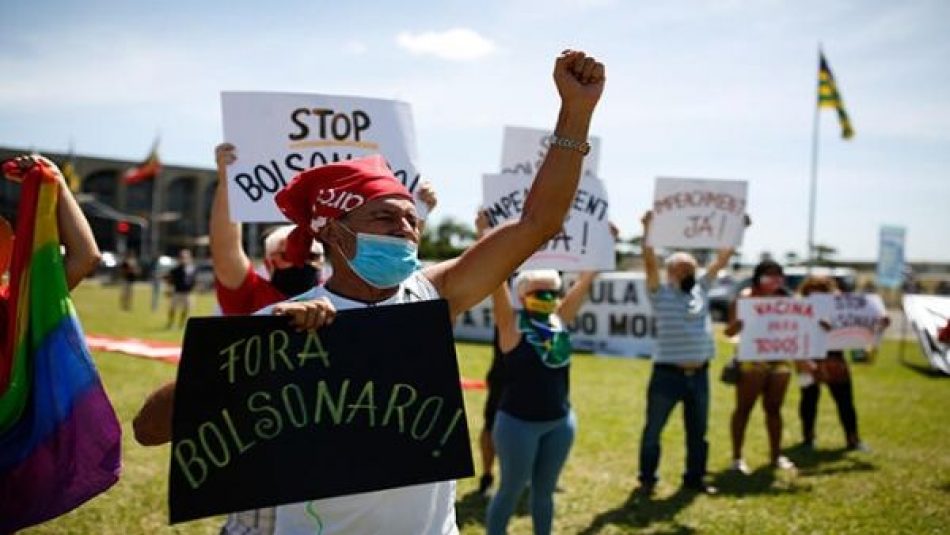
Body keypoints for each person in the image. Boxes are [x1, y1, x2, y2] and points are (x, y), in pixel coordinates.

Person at [143, 49, 605, 535]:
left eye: (410, 219)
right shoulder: (287, 322)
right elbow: (149, 430)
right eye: (384, 217)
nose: (406, 230)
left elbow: (538, 224)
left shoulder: (431, 295)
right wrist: (264, 353)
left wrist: (576, 114)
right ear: (333, 233)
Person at [482, 266, 596, 535]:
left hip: (560, 423)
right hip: (517, 425)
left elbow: (585, 281)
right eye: (538, 292)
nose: (546, 296)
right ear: (521, 296)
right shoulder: (511, 326)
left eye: (551, 292)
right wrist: (484, 234)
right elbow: (496, 282)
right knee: (510, 490)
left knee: (545, 493)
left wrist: (595, 261)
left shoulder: (558, 320)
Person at [637, 210, 738, 495]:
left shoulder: (701, 290)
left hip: (700, 375)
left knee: (698, 434)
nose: (685, 274)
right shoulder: (659, 292)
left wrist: (734, 228)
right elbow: (648, 262)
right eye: (680, 269)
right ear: (669, 273)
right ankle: (647, 478)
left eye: (690, 269)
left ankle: (694, 479)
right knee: (653, 431)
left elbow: (722, 260)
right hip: (667, 375)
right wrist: (647, 229)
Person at [797, 275, 885, 451]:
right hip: (809, 358)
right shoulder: (799, 310)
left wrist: (879, 324)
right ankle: (808, 438)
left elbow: (855, 330)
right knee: (809, 400)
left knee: (845, 400)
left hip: (835, 357)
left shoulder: (839, 308)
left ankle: (853, 439)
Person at [724, 259, 795, 473]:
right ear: (758, 276)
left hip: (780, 361)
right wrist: (741, 323)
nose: (773, 279)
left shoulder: (787, 300)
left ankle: (776, 456)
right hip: (752, 362)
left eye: (777, 274)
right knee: (744, 409)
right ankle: (737, 458)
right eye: (769, 274)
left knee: (774, 409)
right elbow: (729, 332)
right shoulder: (746, 298)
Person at [0, 154, 101, 292]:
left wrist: (54, 180)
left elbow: (84, 259)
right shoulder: (19, 304)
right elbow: (84, 258)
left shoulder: (15, 303)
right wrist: (57, 182)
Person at [477, 330, 505, 498]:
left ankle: (540, 477)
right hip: (505, 371)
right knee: (491, 425)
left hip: (541, 371)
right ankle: (487, 477)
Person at [164, 248, 196, 329]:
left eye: (185, 257)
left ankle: (182, 324)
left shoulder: (191, 269)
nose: (184, 259)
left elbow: (194, 280)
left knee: (186, 309)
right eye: (182, 257)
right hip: (177, 292)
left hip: (187, 293)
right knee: (172, 308)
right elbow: (169, 280)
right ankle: (170, 323)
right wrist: (168, 289)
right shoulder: (176, 269)